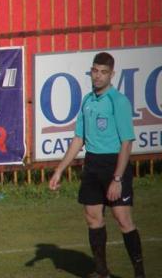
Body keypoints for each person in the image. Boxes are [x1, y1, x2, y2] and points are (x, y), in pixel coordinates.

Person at [49, 52, 145, 278]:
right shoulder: (87, 101)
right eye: (95, 71)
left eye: (103, 72)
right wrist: (60, 169)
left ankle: (139, 272)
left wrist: (118, 178)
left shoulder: (118, 101)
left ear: (112, 74)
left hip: (114, 164)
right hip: (92, 164)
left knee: (122, 219)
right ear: (91, 72)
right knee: (92, 217)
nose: (98, 76)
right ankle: (102, 271)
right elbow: (78, 139)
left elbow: (126, 142)